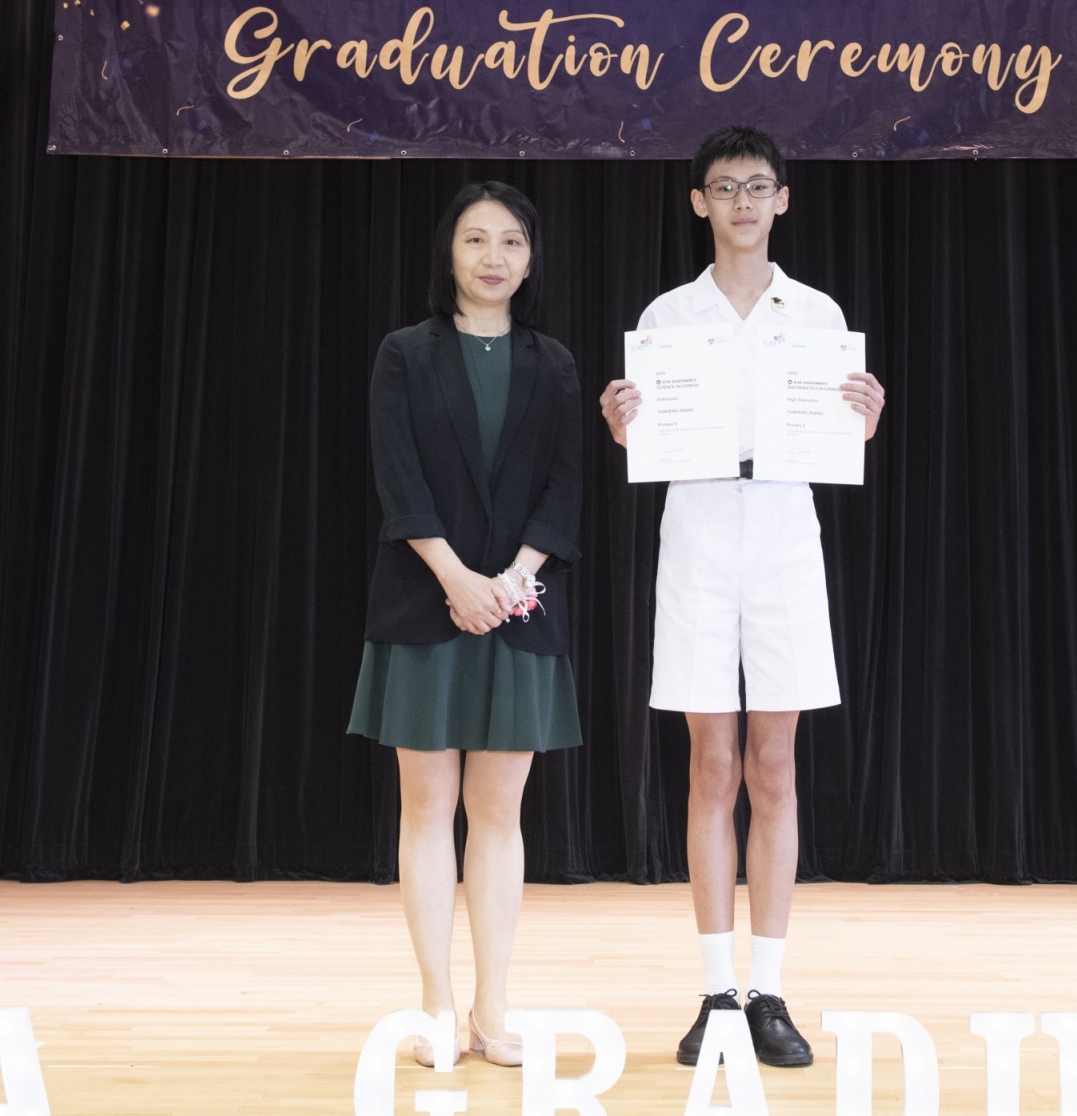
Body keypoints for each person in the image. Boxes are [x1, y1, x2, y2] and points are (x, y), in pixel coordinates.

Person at [597, 127, 886, 1067]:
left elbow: (838, 431)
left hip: (786, 528)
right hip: (698, 524)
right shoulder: (668, 316)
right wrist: (625, 424)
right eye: (726, 188)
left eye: (759, 187)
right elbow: (648, 434)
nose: (744, 203)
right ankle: (717, 990)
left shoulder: (818, 313)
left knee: (774, 764)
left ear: (783, 199)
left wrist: (863, 419)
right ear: (700, 203)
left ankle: (769, 989)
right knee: (711, 764)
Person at [348, 181, 584, 1067]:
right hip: (424, 602)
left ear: (531, 258)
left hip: (518, 610)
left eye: (512, 241)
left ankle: (492, 1008)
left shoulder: (554, 363)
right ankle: (436, 1006)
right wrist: (454, 578)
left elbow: (565, 489)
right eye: (476, 239)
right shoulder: (404, 353)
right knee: (427, 806)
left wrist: (512, 581)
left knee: (498, 812)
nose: (494, 256)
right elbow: (398, 479)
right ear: (449, 250)